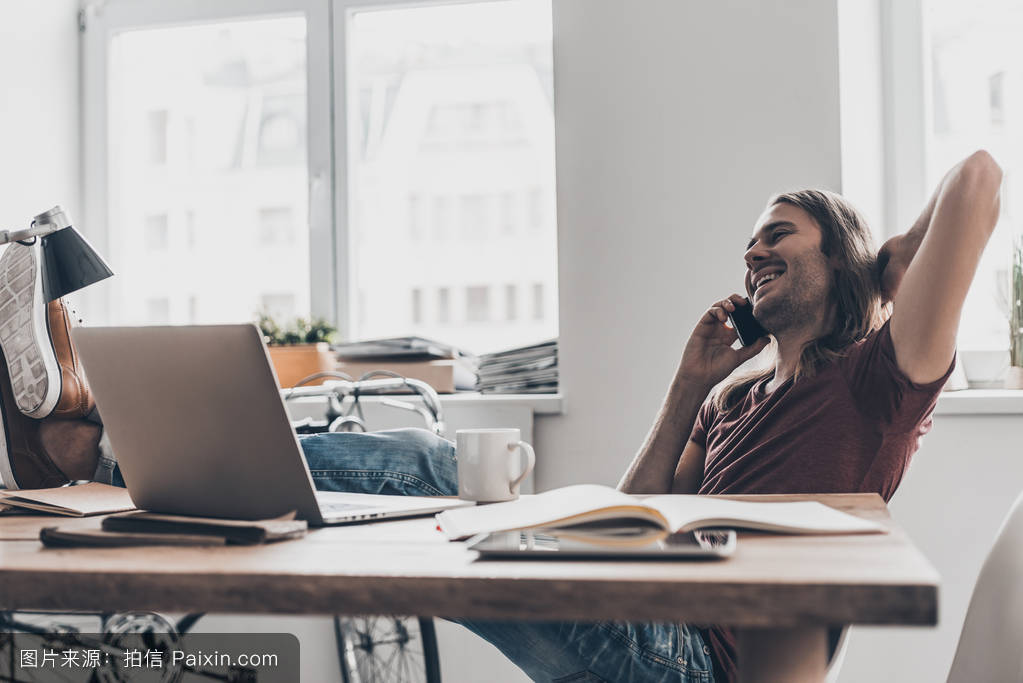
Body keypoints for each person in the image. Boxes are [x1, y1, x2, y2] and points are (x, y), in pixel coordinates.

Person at [0, 150, 1003, 682]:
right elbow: (633, 514)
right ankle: (102, 444)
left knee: (464, 538)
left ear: (841, 253)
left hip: (693, 661)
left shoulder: (877, 378)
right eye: (747, 242)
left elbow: (979, 182)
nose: (751, 253)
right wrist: (689, 386)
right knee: (442, 465)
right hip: (642, 615)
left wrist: (878, 270)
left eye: (776, 236)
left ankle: (88, 436)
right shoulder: (740, 395)